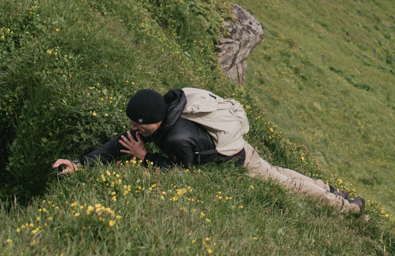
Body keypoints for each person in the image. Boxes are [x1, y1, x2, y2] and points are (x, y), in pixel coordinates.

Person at [53, 88, 364, 213]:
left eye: (138, 124)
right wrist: (80, 164)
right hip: (231, 143)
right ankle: (328, 189)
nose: (134, 129)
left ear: (153, 121)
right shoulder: (166, 112)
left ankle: (347, 208)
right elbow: (120, 143)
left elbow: (184, 173)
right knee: (279, 172)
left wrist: (145, 159)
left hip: (237, 160)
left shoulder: (175, 139)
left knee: (286, 185)